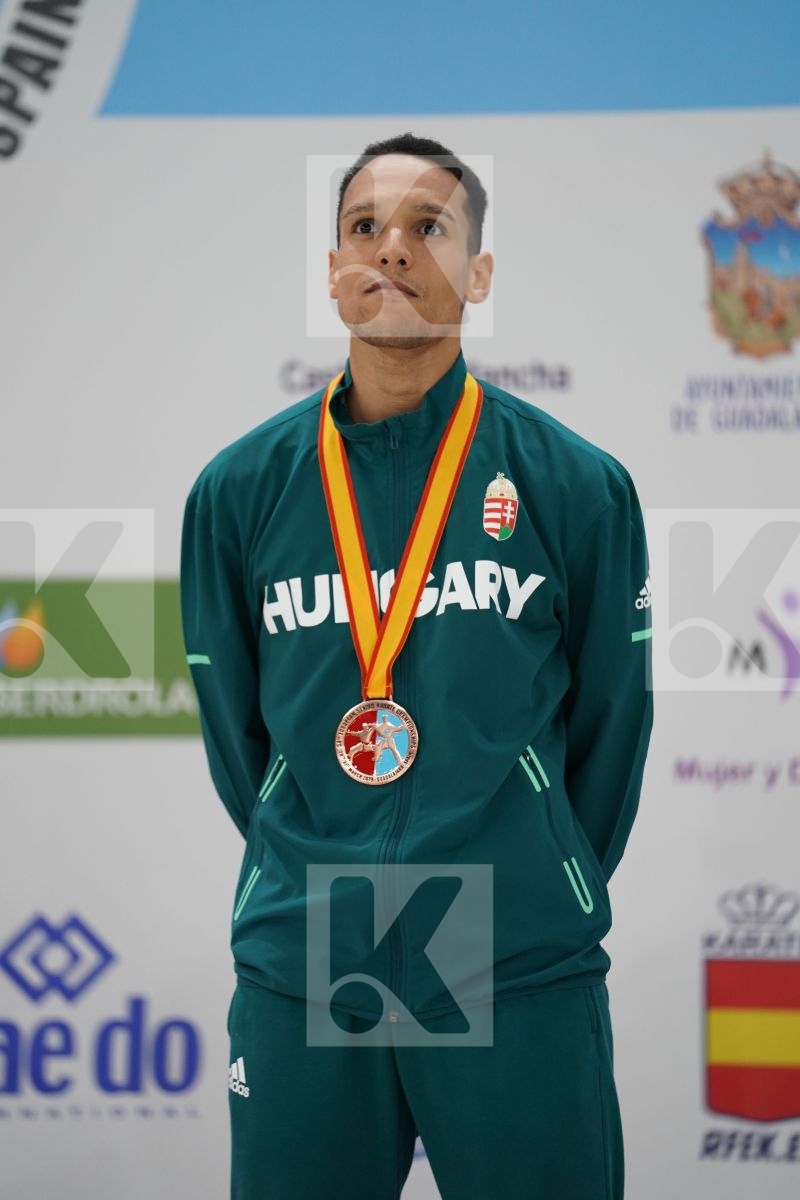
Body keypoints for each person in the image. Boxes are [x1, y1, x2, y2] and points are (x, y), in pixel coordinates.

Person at [180, 131, 654, 1199]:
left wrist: (536, 864)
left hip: (513, 953)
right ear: (333, 271)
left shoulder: (573, 485)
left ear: (476, 273)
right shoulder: (236, 492)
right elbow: (235, 738)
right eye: (363, 228)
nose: (391, 250)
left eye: (427, 228)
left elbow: (610, 726)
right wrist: (312, 851)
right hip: (308, 951)